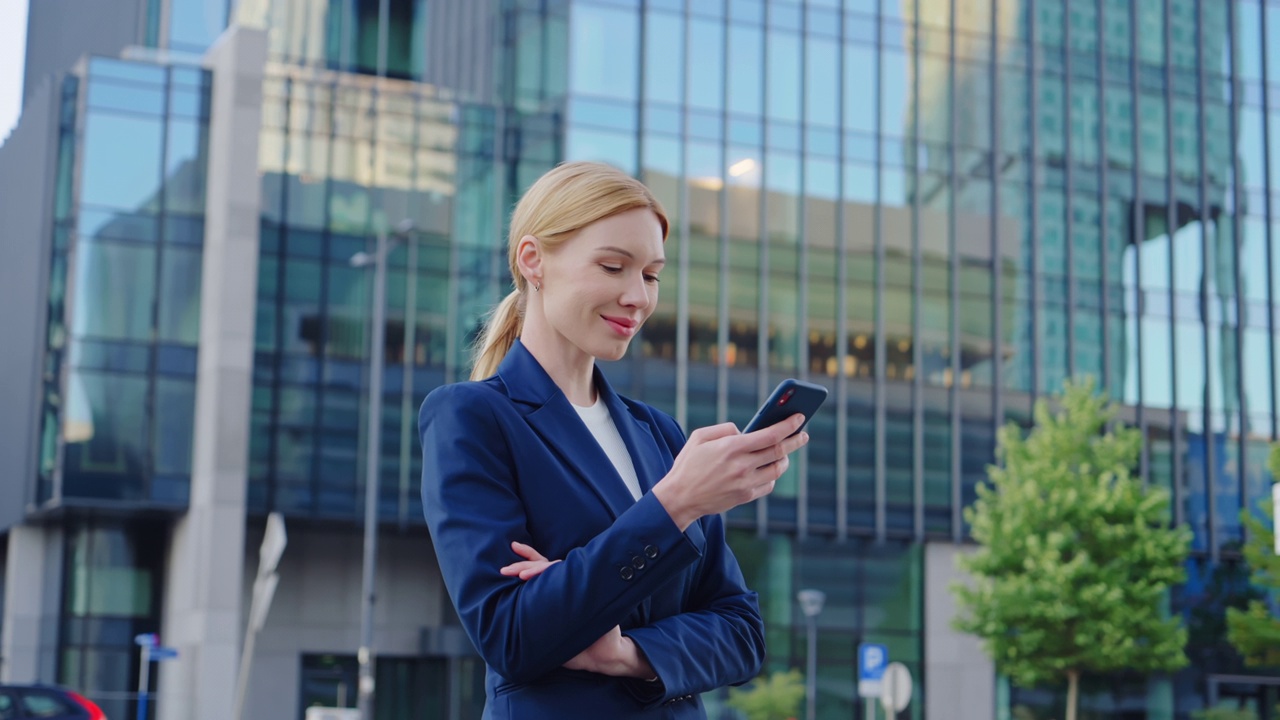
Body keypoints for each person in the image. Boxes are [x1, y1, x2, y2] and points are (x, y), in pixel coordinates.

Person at [418, 161, 810, 719]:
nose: (637, 297)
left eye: (650, 275)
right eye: (612, 266)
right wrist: (676, 504)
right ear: (534, 261)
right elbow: (512, 635)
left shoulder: (662, 436)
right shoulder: (472, 417)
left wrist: (627, 653)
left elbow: (742, 633)